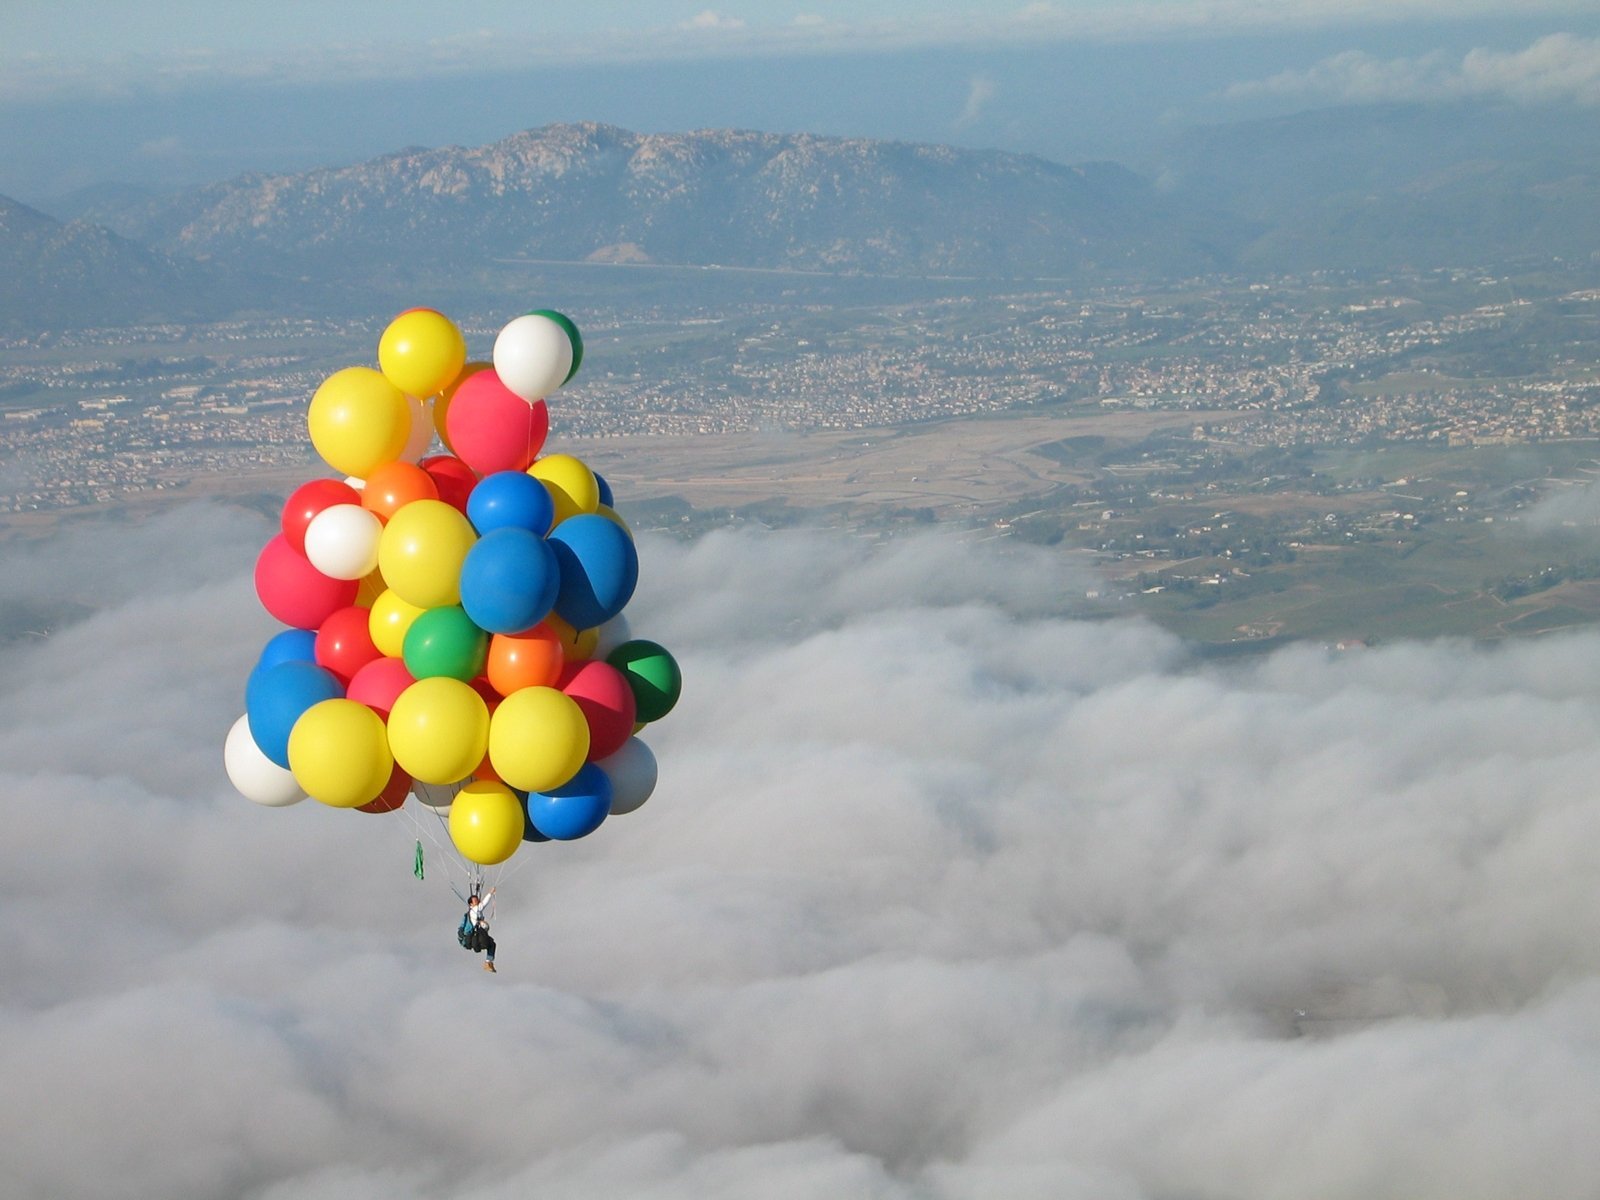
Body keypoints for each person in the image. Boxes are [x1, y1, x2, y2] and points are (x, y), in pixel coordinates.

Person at [464, 887, 497, 972]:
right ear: (471, 904)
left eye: (477, 900)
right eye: (475, 901)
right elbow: (483, 904)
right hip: (478, 936)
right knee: (491, 944)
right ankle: (488, 962)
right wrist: (490, 893)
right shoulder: (474, 910)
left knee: (492, 944)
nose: (477, 901)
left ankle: (488, 963)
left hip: (479, 936)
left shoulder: (477, 911)